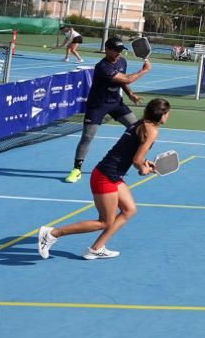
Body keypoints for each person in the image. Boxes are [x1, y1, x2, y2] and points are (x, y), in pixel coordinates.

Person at [39, 98, 170, 261]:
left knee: (129, 210)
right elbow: (136, 160)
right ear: (163, 114)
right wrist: (143, 169)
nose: (168, 115)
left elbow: (131, 154)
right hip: (105, 176)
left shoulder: (140, 124)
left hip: (111, 174)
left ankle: (96, 249)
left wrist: (144, 162)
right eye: (167, 113)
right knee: (104, 222)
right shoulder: (152, 130)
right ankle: (52, 233)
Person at [64, 38, 151, 184]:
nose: (118, 53)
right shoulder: (102, 67)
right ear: (107, 49)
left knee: (140, 130)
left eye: (120, 50)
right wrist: (144, 70)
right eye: (115, 50)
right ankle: (76, 169)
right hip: (97, 105)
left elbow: (123, 82)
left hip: (116, 103)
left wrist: (130, 94)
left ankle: (138, 160)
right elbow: (127, 79)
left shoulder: (122, 61)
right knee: (87, 137)